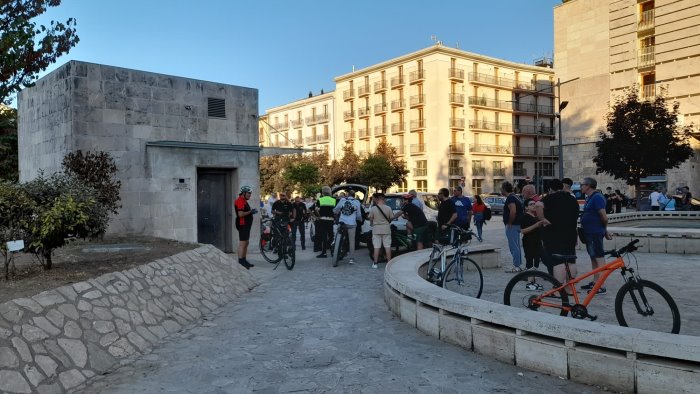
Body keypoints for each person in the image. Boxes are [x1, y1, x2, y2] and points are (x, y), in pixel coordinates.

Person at [537, 179, 579, 285]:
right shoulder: (572, 199)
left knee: (558, 262)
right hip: (570, 234)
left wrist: (542, 219)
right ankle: (570, 288)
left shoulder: (549, 198)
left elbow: (538, 205)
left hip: (554, 235)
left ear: (550, 189)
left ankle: (558, 290)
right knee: (571, 261)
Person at [580, 177, 613, 295]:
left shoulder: (597, 197)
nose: (581, 186)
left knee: (599, 257)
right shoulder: (590, 197)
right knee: (593, 257)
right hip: (590, 232)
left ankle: (600, 285)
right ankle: (595, 282)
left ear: (588, 185)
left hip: (595, 232)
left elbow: (603, 216)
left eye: (582, 184)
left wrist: (605, 230)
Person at [520, 198, 545, 290]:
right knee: (530, 262)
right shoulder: (524, 216)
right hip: (529, 242)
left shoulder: (535, 216)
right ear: (526, 207)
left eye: (534, 204)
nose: (533, 205)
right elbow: (523, 231)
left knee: (536, 263)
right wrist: (536, 225)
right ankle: (529, 283)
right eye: (531, 204)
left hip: (537, 242)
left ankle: (533, 282)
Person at [333, 191, 362, 264]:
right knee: (351, 241)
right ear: (354, 196)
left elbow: (335, 210)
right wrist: (359, 219)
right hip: (352, 224)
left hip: (342, 223)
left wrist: (338, 212)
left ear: (347, 195)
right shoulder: (357, 202)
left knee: (337, 236)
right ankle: (351, 259)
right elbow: (358, 215)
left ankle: (336, 248)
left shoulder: (342, 200)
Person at [501, 181, 524, 273]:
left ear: (504, 189)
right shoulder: (516, 196)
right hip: (517, 224)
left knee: (513, 246)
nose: (500, 190)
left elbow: (513, 211)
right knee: (516, 246)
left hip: (513, 225)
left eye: (501, 188)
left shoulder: (510, 198)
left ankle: (516, 266)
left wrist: (510, 223)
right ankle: (518, 264)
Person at [234, 185, 257, 269]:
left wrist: (251, 212)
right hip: (242, 224)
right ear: (244, 193)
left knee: (246, 242)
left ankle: (244, 260)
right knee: (243, 243)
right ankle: (240, 262)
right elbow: (240, 214)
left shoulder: (244, 200)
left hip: (246, 225)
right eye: (249, 193)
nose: (250, 195)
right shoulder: (240, 201)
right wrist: (251, 211)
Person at [369, 193, 393, 268]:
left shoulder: (373, 209)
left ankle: (375, 263)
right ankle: (389, 263)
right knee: (387, 246)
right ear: (383, 199)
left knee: (376, 247)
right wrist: (388, 221)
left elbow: (370, 218)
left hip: (376, 229)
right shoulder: (388, 208)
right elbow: (391, 217)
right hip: (386, 228)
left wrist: (372, 224)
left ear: (378, 200)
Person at [315, 186, 336, 258]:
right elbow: (335, 210)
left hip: (323, 219)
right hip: (331, 220)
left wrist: (319, 215)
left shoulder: (320, 200)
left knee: (324, 236)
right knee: (331, 236)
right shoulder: (333, 200)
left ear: (323, 192)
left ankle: (324, 253)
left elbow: (316, 209)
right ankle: (333, 252)